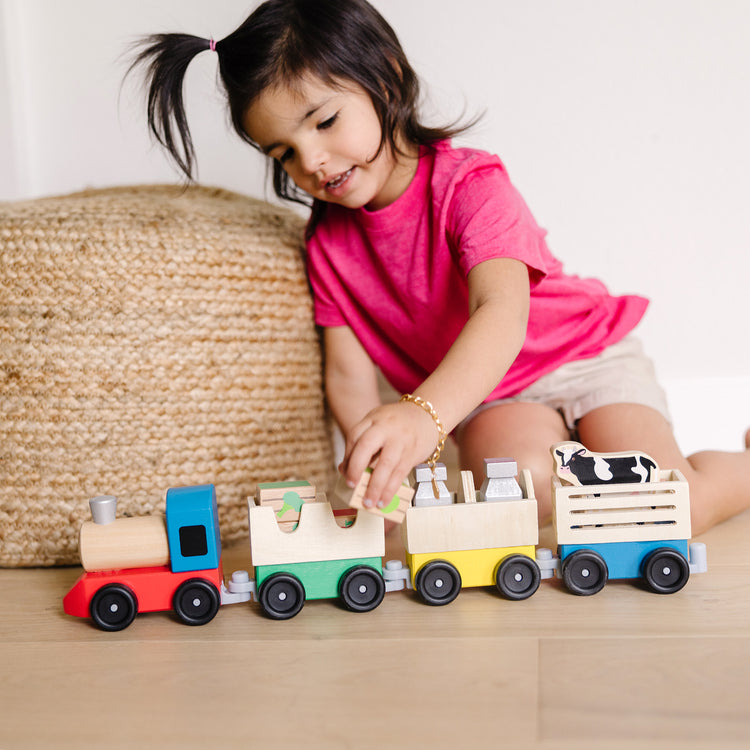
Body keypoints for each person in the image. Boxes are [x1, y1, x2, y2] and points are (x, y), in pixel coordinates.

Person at [129, 0, 750, 534]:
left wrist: (423, 416)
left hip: (581, 356)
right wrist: (379, 470)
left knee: (669, 506)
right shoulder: (327, 247)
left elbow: (501, 313)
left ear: (386, 78)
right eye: (284, 152)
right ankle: (585, 470)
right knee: (526, 486)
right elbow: (348, 379)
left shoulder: (470, 185)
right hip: (493, 397)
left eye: (324, 122)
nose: (311, 160)